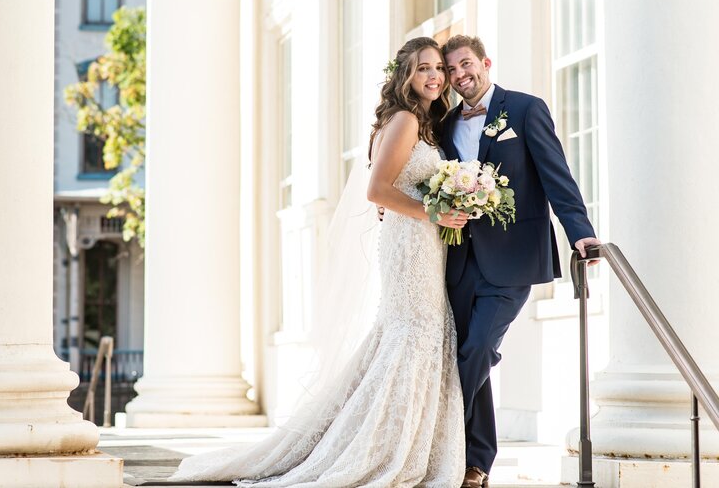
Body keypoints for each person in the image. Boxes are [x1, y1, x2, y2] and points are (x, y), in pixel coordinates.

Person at [168, 36, 468, 486]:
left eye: (438, 69)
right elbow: (376, 190)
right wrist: (434, 211)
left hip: (421, 240)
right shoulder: (405, 120)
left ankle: (399, 442)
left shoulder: (423, 123)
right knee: (415, 334)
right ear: (405, 75)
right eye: (423, 68)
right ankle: (383, 448)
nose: (434, 76)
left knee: (413, 336)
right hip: (410, 243)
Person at [438, 34, 601, 488]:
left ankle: (434, 435)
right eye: (451, 70)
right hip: (458, 258)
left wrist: (580, 232)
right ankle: (476, 464)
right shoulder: (446, 123)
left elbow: (556, 176)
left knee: (475, 351)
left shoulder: (525, 109)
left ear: (485, 62)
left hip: (513, 257)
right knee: (470, 354)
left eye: (465, 64)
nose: (459, 75)